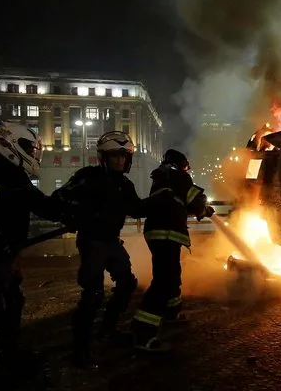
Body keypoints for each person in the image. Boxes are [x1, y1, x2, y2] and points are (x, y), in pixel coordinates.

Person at [53, 131, 164, 367]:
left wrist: (158, 200)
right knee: (92, 295)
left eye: (124, 157)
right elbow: (59, 198)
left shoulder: (124, 184)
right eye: (115, 156)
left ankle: (108, 329)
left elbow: (136, 209)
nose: (121, 161)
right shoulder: (87, 177)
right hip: (92, 241)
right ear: (104, 157)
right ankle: (80, 349)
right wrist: (73, 214)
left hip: (111, 241)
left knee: (127, 284)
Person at [0, 123, 64, 376]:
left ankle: (8, 353)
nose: (33, 153)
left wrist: (69, 209)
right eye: (28, 147)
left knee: (11, 302)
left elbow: (42, 205)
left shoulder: (14, 176)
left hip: (3, 255)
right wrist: (0, 244)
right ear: (10, 144)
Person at [132, 149, 214, 351]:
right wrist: (204, 208)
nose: (187, 171)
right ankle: (143, 335)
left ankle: (172, 313)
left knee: (172, 274)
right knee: (163, 281)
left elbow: (176, 202)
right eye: (186, 167)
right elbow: (193, 198)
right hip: (166, 233)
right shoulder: (178, 175)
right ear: (181, 164)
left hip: (160, 232)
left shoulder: (163, 177)